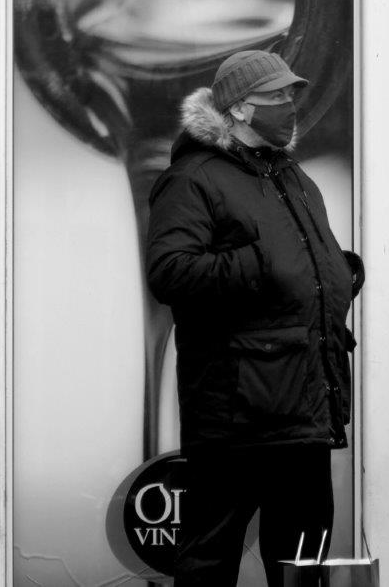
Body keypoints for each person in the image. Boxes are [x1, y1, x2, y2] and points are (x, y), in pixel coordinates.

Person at [146, 49, 363, 587]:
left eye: (291, 94)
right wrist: (260, 264)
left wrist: (338, 272)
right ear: (240, 108)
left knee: (303, 562)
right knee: (209, 560)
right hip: (234, 416)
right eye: (276, 96)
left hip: (304, 408)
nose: (289, 105)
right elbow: (169, 273)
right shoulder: (193, 178)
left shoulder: (294, 177)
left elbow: (296, 267)